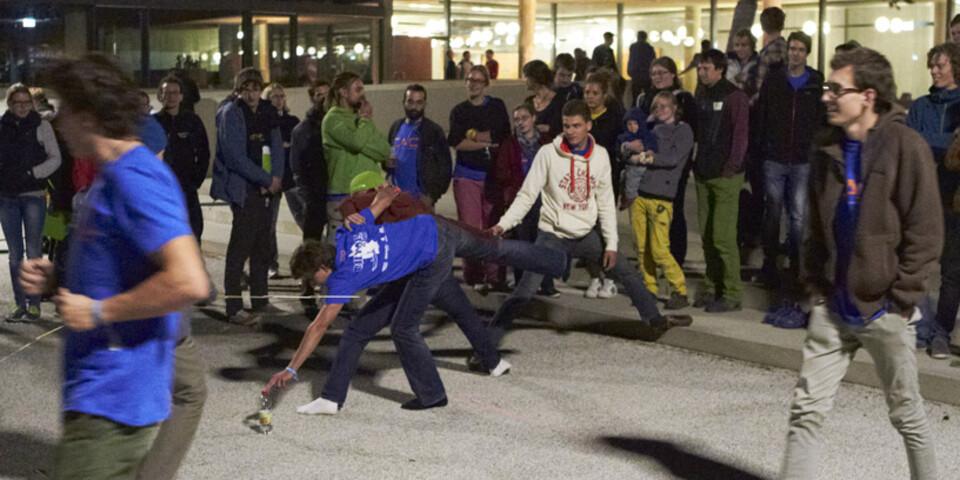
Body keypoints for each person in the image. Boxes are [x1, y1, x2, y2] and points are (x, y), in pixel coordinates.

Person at [22, 53, 208, 480]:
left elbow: (188, 279)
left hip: (114, 402)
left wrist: (99, 312)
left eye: (64, 109)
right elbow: (118, 267)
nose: (57, 121)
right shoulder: (107, 177)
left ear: (88, 114)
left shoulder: (136, 176)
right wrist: (56, 281)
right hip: (95, 395)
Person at [262, 184, 569, 413]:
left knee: (403, 328)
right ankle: (330, 399)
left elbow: (318, 327)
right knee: (357, 330)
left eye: (311, 279)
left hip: (431, 257)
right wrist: (384, 193)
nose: (313, 286)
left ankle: (432, 395)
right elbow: (383, 200)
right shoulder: (346, 234)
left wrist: (290, 369)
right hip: (434, 228)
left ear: (323, 268)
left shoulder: (342, 278)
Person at [781, 47, 941, 480]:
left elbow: (925, 231)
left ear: (867, 96)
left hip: (884, 308)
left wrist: (902, 298)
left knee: (906, 414)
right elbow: (814, 227)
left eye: (837, 88)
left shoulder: (906, 146)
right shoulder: (826, 149)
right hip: (832, 308)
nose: (827, 95)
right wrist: (815, 286)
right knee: (805, 413)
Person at [486, 100, 692, 352]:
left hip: (586, 234)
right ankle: (486, 344)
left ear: (588, 125)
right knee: (525, 289)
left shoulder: (601, 156)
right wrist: (503, 224)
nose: (570, 131)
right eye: (566, 126)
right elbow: (527, 195)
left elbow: (605, 203)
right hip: (552, 236)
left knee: (627, 272)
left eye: (576, 126)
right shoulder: (547, 154)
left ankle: (655, 320)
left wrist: (612, 244)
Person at [210, 68, 285, 325]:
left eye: (255, 88)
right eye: (246, 89)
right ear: (238, 90)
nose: (251, 94)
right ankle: (233, 306)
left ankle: (260, 299)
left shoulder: (267, 111)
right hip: (245, 188)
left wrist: (275, 178)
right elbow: (234, 157)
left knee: (262, 246)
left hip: (267, 187)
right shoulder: (231, 113)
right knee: (240, 246)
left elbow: (277, 146)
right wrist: (265, 179)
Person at [755, 31, 825, 295]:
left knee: (797, 216)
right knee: (772, 212)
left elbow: (821, 119)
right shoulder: (774, 80)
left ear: (807, 53)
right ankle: (769, 262)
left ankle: (795, 265)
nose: (795, 53)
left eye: (800, 50)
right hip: (774, 156)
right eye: (792, 49)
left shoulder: (815, 82)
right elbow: (762, 114)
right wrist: (761, 149)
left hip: (802, 159)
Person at [907, 42, 960, 359]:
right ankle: (920, 326)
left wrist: (927, 141)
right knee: (916, 264)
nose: (935, 71)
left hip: (954, 197)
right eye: (932, 66)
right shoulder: (921, 105)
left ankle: (941, 332)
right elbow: (910, 142)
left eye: (941, 65)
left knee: (952, 269)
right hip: (922, 194)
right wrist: (946, 141)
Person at [693, 49, 750, 313]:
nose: (701, 72)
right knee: (707, 235)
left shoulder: (734, 96)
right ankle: (712, 285)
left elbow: (740, 136)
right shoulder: (702, 93)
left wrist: (732, 167)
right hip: (704, 173)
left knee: (723, 237)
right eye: (700, 68)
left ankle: (731, 292)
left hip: (725, 176)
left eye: (706, 68)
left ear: (719, 69)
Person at [0, 84, 62, 321]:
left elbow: (55, 158)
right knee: (15, 254)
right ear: (10, 103)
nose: (23, 107)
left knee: (34, 250)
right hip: (6, 197)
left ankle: (34, 303)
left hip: (34, 195)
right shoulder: (2, 126)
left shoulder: (42, 126)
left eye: (27, 102)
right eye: (18, 102)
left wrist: (33, 173)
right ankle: (20, 304)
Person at [628, 92, 693, 310]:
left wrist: (647, 157)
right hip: (641, 194)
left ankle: (679, 290)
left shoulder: (683, 131)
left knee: (659, 249)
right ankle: (649, 289)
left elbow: (672, 159)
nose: (661, 110)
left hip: (662, 198)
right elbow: (629, 148)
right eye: (657, 107)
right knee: (642, 248)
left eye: (665, 105)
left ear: (675, 107)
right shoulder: (652, 130)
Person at [448, 65, 511, 291]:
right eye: (469, 80)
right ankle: (474, 276)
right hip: (467, 175)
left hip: (493, 175)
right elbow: (457, 142)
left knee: (494, 226)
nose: (473, 84)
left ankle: (495, 276)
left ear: (486, 84)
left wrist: (472, 136)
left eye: (477, 80)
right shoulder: (459, 111)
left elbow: (502, 134)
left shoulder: (496, 106)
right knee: (471, 228)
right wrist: (485, 142)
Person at [634, 57, 698, 267]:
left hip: (673, 164)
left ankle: (675, 257)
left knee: (674, 210)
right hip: (649, 162)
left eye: (662, 72)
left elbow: (690, 133)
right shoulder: (644, 99)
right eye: (654, 73)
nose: (658, 77)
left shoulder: (684, 99)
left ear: (673, 74)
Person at [322, 71, 391, 242]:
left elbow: (384, 150)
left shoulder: (359, 119)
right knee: (340, 249)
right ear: (343, 92)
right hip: (344, 194)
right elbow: (356, 142)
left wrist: (363, 132)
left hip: (370, 193)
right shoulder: (332, 119)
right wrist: (365, 121)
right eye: (358, 89)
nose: (363, 94)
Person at [494, 103, 554, 289]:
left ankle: (546, 284)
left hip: (544, 199)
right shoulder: (510, 144)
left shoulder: (545, 142)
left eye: (525, 118)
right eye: (517, 119)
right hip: (520, 199)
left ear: (534, 118)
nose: (520, 123)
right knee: (522, 243)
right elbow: (501, 172)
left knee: (544, 242)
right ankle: (522, 284)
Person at [154, 75, 210, 241]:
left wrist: (196, 180)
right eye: (166, 93)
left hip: (187, 189)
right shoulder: (153, 124)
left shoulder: (192, 121)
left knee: (193, 234)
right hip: (162, 191)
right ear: (160, 95)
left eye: (174, 93)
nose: (170, 97)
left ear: (181, 96)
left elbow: (203, 152)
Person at [386, 84, 452, 207]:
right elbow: (388, 156)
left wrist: (432, 196)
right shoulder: (396, 127)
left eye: (419, 102)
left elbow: (445, 167)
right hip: (396, 197)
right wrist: (386, 164)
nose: (414, 107)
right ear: (403, 102)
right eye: (410, 102)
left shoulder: (433, 131)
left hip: (422, 198)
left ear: (425, 104)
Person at [262, 83, 301, 278]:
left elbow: (297, 145)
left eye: (281, 96)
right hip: (274, 178)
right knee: (269, 224)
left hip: (292, 177)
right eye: (274, 96)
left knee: (303, 220)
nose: (278, 100)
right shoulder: (264, 121)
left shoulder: (292, 121)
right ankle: (271, 264)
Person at [291, 79, 330, 243]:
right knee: (312, 244)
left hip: (338, 193)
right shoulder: (303, 130)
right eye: (319, 94)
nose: (323, 99)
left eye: (327, 94)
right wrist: (307, 196)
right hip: (315, 196)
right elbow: (297, 166)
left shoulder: (345, 124)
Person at [616, 107, 658, 209]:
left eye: (635, 124)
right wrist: (627, 148)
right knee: (628, 179)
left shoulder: (648, 136)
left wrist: (645, 155)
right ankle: (628, 198)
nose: (632, 127)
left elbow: (652, 151)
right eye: (629, 124)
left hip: (646, 171)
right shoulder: (624, 137)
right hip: (631, 169)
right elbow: (620, 152)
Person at [523, 60, 565, 138]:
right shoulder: (528, 102)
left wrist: (549, 129)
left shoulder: (559, 102)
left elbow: (565, 128)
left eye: (526, 77)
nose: (524, 80)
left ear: (534, 78)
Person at [754, 6, 787, 99]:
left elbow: (761, 85)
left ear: (763, 26)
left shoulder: (767, 53)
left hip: (769, 100)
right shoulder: (789, 48)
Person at [726, 29, 759, 98]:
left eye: (744, 45)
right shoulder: (727, 62)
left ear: (752, 46)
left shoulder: (758, 63)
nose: (739, 48)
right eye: (737, 45)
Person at [627, 31, 657, 106]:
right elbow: (653, 62)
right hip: (646, 75)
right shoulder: (649, 48)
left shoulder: (633, 47)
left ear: (638, 37)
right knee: (648, 96)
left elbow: (631, 60)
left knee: (635, 96)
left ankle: (634, 112)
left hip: (636, 75)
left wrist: (630, 72)